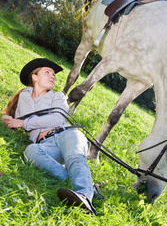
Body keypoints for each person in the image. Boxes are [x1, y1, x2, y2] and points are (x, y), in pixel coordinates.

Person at [1, 58, 97, 215]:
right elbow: (15, 119)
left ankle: (84, 196)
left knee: (75, 157)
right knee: (31, 151)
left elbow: (57, 118)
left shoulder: (58, 97)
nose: (52, 76)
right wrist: (9, 120)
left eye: (54, 74)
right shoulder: (23, 99)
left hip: (67, 134)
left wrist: (24, 124)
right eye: (47, 72)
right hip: (45, 144)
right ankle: (84, 182)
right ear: (34, 77)